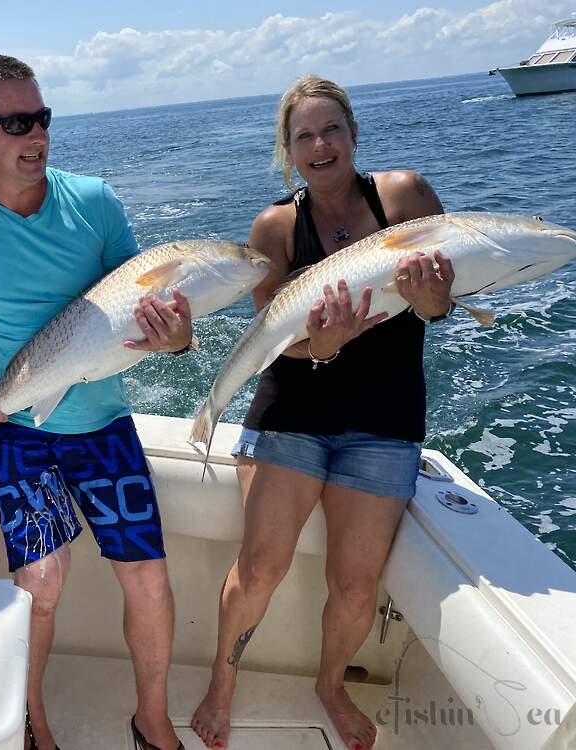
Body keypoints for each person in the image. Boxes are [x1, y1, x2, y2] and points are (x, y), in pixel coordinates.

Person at [0, 54, 190, 750]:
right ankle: (32, 719)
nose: (36, 133)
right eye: (16, 122)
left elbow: (145, 297)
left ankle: (151, 719)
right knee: (41, 576)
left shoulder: (95, 201)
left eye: (41, 117)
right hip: (15, 429)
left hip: (101, 421)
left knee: (151, 581)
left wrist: (176, 337)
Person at [190, 75, 454, 750]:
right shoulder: (276, 226)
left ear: (354, 133)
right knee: (261, 569)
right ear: (288, 150)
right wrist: (323, 347)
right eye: (303, 135)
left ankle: (330, 684)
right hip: (291, 418)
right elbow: (272, 337)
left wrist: (435, 303)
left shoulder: (405, 196)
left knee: (355, 583)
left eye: (331, 129)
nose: (320, 144)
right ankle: (223, 681)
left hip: (385, 423)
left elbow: (447, 295)